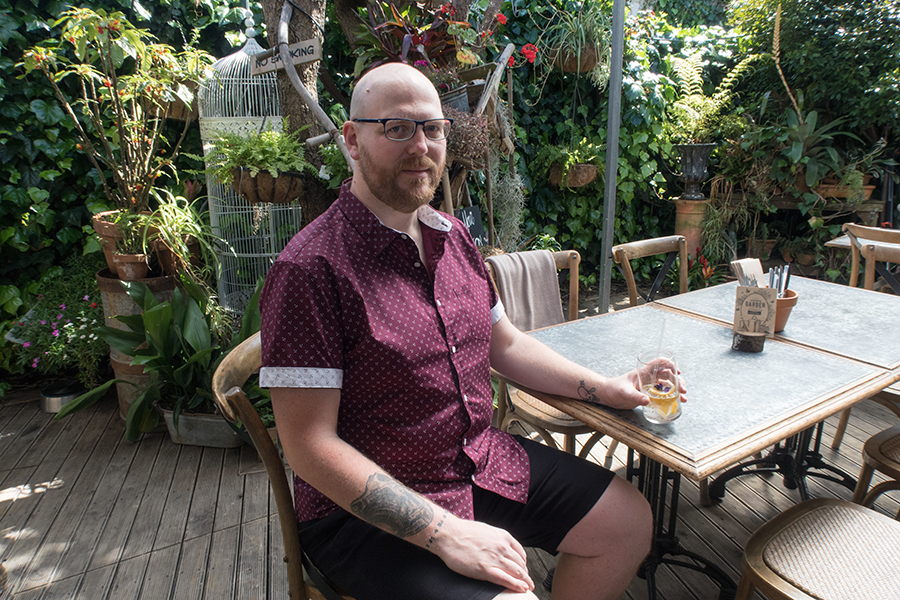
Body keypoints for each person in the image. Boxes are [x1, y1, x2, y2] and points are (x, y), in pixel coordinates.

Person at [260, 62, 677, 600]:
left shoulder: (453, 237)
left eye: (432, 128)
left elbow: (504, 344)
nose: (421, 145)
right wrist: (444, 533)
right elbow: (308, 446)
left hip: (476, 461)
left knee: (627, 519)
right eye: (396, 128)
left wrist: (603, 387)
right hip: (363, 512)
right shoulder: (310, 269)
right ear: (352, 140)